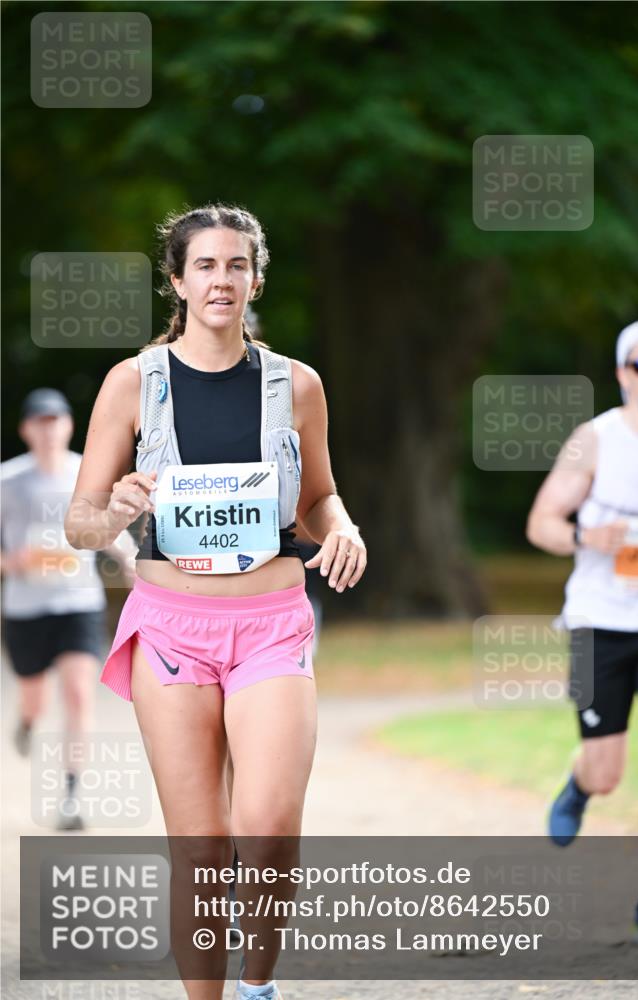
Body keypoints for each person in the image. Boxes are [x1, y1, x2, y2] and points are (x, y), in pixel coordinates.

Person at [64, 203, 367, 1000]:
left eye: (237, 265)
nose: (221, 279)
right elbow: (81, 522)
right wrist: (117, 508)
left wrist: (343, 528)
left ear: (255, 280)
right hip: (172, 629)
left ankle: (258, 987)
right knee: (200, 849)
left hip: (271, 623)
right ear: (177, 280)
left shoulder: (296, 384)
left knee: (267, 830)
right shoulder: (132, 383)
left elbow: (319, 498)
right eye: (204, 265)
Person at [526, 318, 638, 944]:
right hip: (599, 623)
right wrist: (588, 536)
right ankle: (581, 785)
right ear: (623, 375)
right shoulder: (596, 439)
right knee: (608, 770)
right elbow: (541, 523)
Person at [1, 388, 136, 830]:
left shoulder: (86, 473)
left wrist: (129, 561)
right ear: (26, 430)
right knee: (35, 697)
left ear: (69, 426)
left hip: (78, 602)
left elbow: (110, 527)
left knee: (78, 694)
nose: (48, 430)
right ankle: (27, 721)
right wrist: (13, 562)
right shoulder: (7, 481)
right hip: (25, 608)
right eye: (40, 422)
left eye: (55, 420)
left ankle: (71, 797)